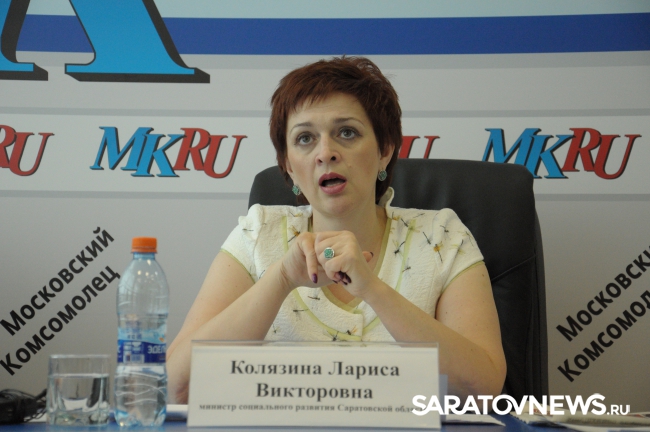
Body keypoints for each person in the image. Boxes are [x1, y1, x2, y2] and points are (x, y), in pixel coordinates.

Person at [166, 56, 506, 404]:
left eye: (347, 133)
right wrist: (281, 278)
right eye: (305, 138)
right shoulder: (258, 234)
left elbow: (483, 390)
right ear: (288, 166)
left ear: (385, 151)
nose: (325, 153)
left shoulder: (443, 238)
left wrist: (372, 288)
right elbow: (178, 387)